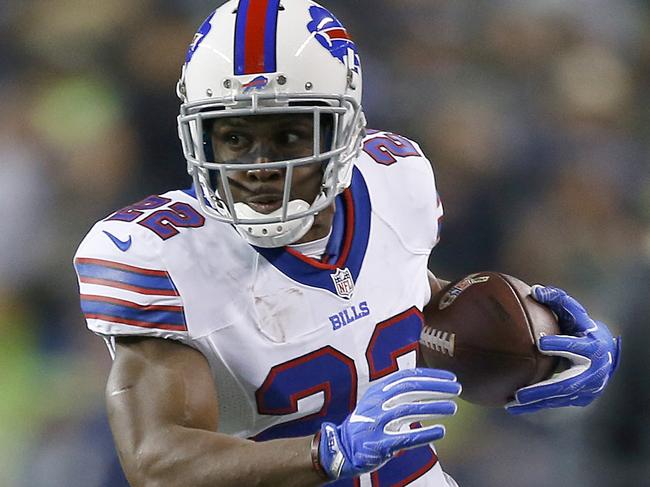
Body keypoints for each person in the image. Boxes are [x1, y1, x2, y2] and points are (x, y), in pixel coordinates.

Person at [73, 1, 621, 485]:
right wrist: (327, 451)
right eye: (235, 136)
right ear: (199, 134)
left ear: (345, 129)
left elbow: (406, 304)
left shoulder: (394, 179)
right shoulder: (162, 256)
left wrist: (540, 345)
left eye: (288, 134)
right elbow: (157, 458)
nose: (262, 167)